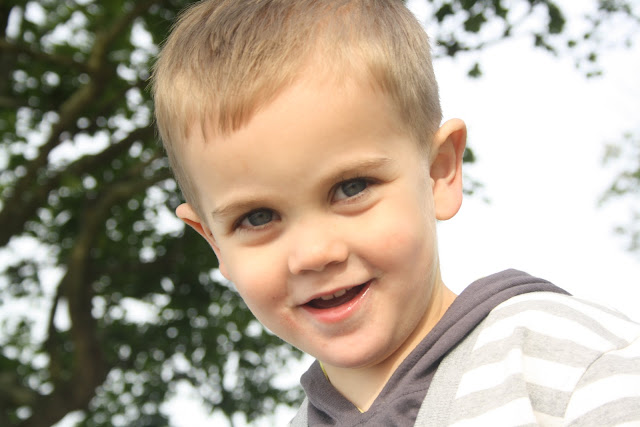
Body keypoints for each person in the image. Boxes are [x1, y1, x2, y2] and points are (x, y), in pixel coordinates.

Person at [151, 0, 640, 425]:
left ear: (439, 172)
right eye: (257, 218)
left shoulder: (567, 362)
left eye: (351, 188)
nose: (315, 253)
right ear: (213, 241)